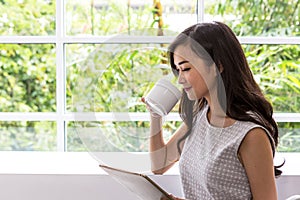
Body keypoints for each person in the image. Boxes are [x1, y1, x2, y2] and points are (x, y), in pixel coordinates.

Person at [142, 21, 283, 200]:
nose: (180, 79)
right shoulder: (199, 116)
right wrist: (155, 114)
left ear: (219, 65)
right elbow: (159, 164)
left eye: (186, 68)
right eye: (178, 70)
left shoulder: (251, 134)